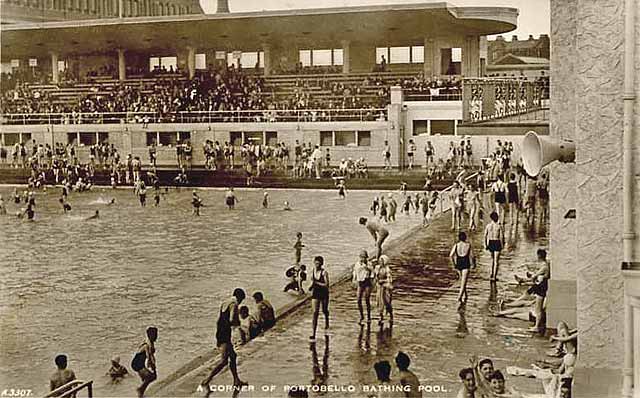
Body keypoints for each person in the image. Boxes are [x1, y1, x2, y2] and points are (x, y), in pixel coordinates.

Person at [201, 289, 248, 390]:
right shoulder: (234, 304)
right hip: (225, 334)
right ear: (239, 297)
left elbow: (220, 319)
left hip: (220, 331)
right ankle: (207, 380)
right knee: (224, 361)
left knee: (233, 356)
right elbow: (231, 320)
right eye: (242, 300)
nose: (241, 303)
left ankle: (236, 380)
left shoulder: (225, 302)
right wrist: (238, 324)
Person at [131, 326, 158, 398]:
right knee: (150, 377)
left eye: (156, 335)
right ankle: (140, 390)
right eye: (154, 335)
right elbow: (149, 357)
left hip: (140, 363)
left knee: (150, 377)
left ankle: (141, 392)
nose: (156, 337)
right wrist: (152, 366)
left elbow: (151, 357)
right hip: (137, 363)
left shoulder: (151, 343)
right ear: (150, 335)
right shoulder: (147, 345)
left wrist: (153, 367)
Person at [450, 232, 475, 305]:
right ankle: (459, 297)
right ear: (465, 238)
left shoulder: (456, 245)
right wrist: (473, 264)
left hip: (458, 263)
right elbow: (472, 256)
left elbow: (451, 255)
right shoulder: (468, 245)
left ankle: (465, 294)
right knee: (463, 282)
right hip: (465, 263)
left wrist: (453, 264)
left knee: (462, 280)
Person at [309, 256, 330, 341]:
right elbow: (313, 282)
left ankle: (327, 321)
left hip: (324, 293)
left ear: (321, 264)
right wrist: (311, 287)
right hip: (315, 293)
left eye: (318, 263)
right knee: (315, 313)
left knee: (324, 310)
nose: (316, 265)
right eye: (315, 263)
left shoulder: (324, 272)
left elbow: (327, 285)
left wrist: (316, 283)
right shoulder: (313, 271)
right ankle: (313, 333)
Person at [353, 249, 375, 324]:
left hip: (367, 281)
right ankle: (361, 315)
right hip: (360, 281)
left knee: (367, 299)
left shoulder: (369, 264)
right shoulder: (357, 264)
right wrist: (354, 280)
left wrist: (367, 268)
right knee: (358, 299)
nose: (363, 259)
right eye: (361, 257)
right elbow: (355, 272)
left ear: (366, 257)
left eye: (364, 257)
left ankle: (368, 316)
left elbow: (372, 272)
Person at [484, 212, 504, 281]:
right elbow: (501, 237)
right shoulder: (499, 226)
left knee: (493, 260)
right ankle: (494, 276)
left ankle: (492, 273)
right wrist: (502, 245)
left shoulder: (488, 226)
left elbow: (485, 236)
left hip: (490, 242)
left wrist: (486, 244)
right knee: (496, 261)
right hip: (497, 242)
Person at [375, 255, 393, 325]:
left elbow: (390, 279)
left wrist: (383, 281)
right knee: (379, 301)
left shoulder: (387, 269)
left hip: (386, 287)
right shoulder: (377, 268)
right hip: (379, 287)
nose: (380, 262)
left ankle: (391, 314)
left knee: (386, 301)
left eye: (382, 261)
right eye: (380, 261)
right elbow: (375, 276)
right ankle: (381, 315)